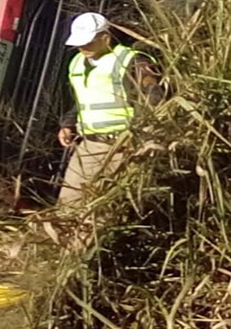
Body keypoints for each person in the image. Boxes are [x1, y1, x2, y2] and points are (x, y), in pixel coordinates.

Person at [57, 12, 162, 204]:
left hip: (121, 145)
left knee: (104, 207)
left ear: (105, 38)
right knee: (68, 203)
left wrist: (138, 136)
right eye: (79, 43)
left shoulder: (132, 61)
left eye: (88, 42)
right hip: (89, 145)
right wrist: (68, 124)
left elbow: (152, 98)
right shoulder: (76, 64)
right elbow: (83, 99)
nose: (82, 47)